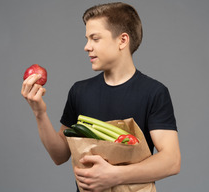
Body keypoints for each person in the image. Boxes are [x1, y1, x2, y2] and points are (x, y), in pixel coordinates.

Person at [21, 2, 181, 192]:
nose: (86, 47)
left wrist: (114, 176)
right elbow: (59, 155)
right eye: (87, 39)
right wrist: (39, 112)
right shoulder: (79, 91)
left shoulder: (154, 92)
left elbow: (172, 161)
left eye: (95, 39)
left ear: (122, 40)